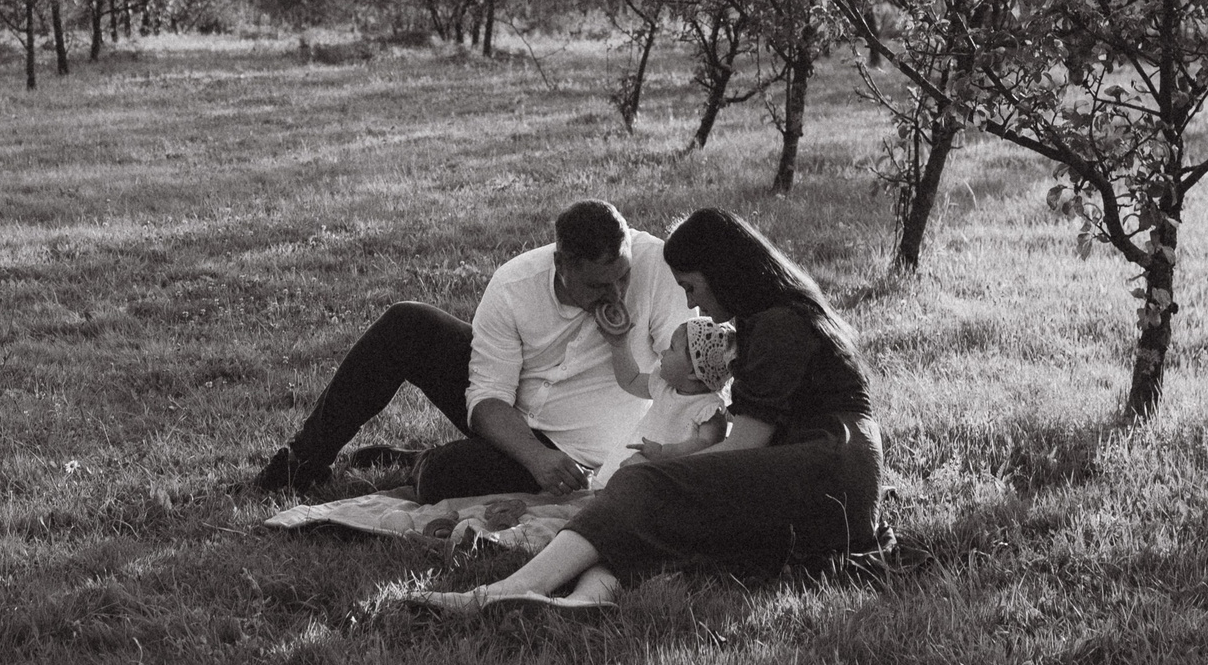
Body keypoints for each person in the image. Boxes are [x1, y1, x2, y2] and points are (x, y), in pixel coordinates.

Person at [413, 206, 883, 615]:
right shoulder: (769, 319)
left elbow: (743, 445)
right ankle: (586, 598)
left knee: (643, 485)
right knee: (656, 508)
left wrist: (658, 472)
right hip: (818, 474)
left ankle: (506, 590)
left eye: (692, 287)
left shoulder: (779, 325)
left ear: (724, 274)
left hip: (826, 473)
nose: (692, 303)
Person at [252, 199, 691, 504]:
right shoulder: (515, 285)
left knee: (442, 477)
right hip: (518, 424)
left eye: (622, 277)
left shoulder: (657, 268)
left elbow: (689, 372)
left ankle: (418, 462)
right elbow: (487, 397)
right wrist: (533, 457)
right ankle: (300, 464)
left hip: (577, 447)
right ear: (561, 265)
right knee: (407, 323)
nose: (615, 293)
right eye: (597, 285)